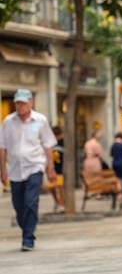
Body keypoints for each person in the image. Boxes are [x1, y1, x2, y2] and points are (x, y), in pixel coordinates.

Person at [0, 89, 57, 251]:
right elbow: (2, 147)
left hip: (35, 166)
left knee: (31, 202)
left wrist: (50, 168)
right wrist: (2, 170)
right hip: (15, 170)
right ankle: (27, 228)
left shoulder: (40, 121)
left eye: (23, 103)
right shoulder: (8, 121)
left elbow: (48, 145)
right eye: (17, 103)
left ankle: (28, 239)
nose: (20, 106)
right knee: (18, 205)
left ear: (31, 102)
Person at [50, 125, 66, 212]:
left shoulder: (63, 142)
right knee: (51, 187)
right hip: (53, 168)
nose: (57, 138)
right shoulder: (50, 143)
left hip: (61, 168)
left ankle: (61, 204)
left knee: (60, 187)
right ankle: (57, 202)